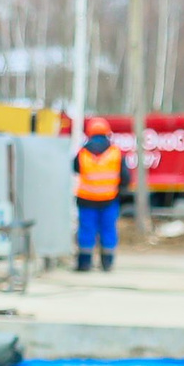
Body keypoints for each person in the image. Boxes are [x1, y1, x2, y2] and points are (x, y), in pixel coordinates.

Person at [73, 116, 123, 272]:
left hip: (86, 200)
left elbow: (75, 169)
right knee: (108, 231)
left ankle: (84, 263)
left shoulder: (82, 153)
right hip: (109, 200)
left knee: (86, 231)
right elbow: (126, 177)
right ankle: (107, 263)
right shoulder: (115, 152)